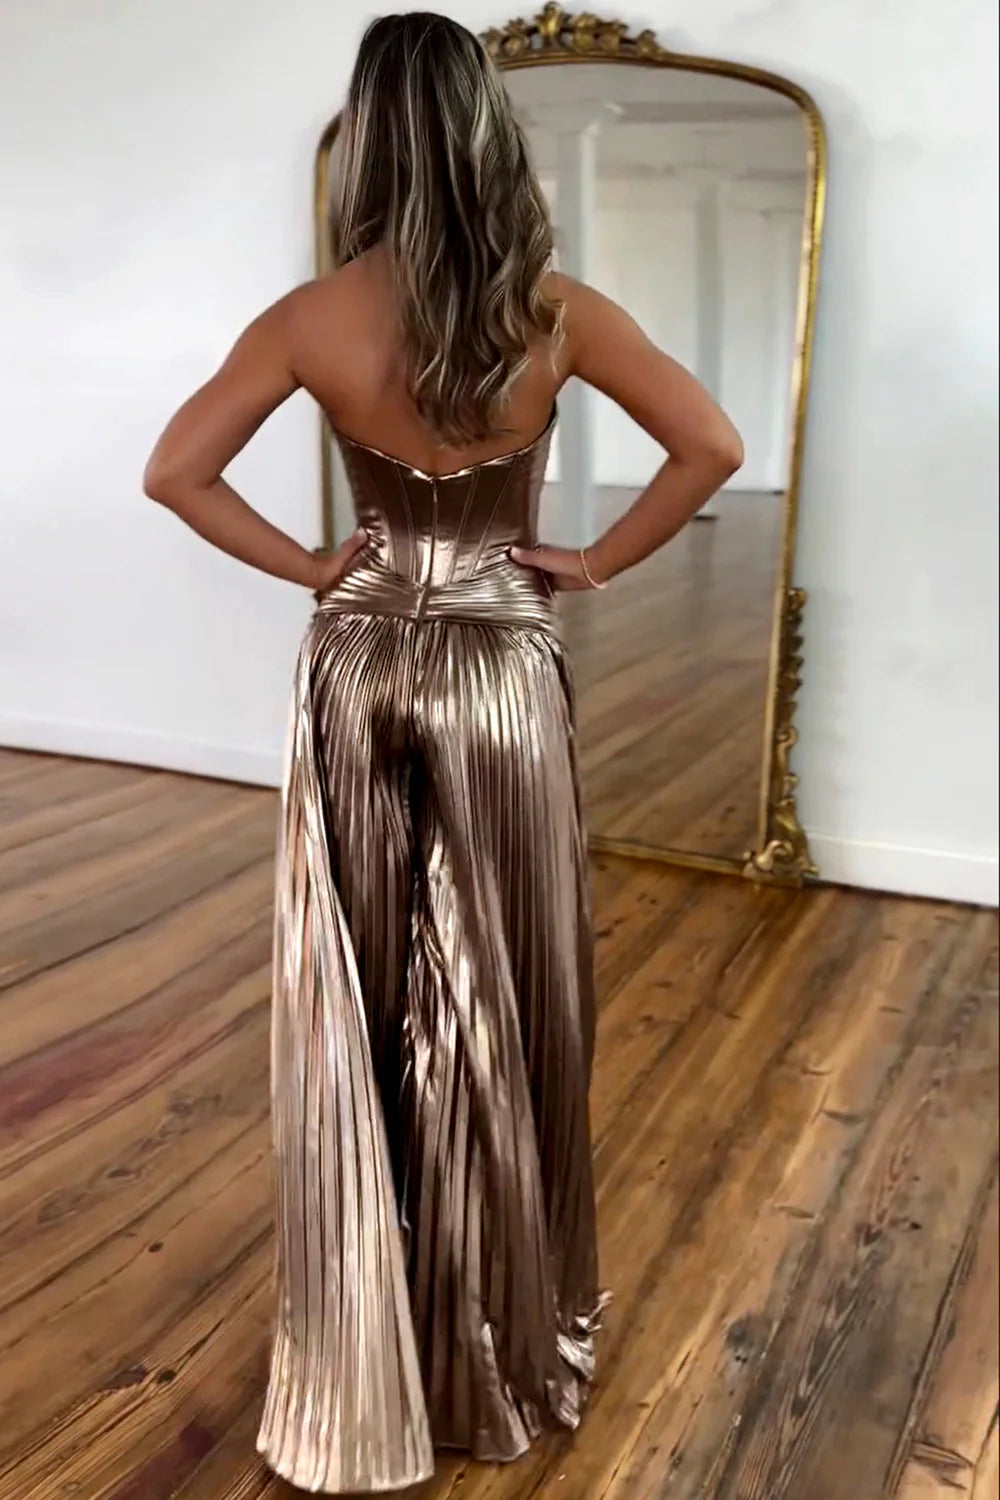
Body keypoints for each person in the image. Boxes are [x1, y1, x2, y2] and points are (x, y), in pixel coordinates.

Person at [143, 11, 742, 1493]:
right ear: (489, 133)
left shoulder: (310, 317)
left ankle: (363, 1335)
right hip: (498, 666)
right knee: (501, 981)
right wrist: (586, 561)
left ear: (366, 139)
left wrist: (312, 566)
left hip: (356, 663)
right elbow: (714, 448)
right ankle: (493, 1340)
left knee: (356, 984)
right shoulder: (555, 310)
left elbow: (175, 472)